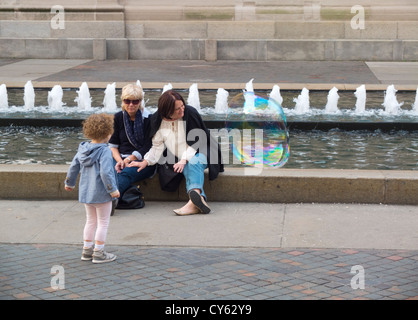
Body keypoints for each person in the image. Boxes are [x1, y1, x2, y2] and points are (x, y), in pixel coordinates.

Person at [129, 89, 224, 216]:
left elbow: (197, 142)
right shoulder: (157, 120)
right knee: (186, 165)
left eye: (182, 106)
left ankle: (193, 203)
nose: (182, 110)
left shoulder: (190, 113)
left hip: (203, 149)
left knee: (193, 162)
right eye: (177, 109)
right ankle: (197, 200)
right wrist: (145, 162)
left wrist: (184, 160)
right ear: (167, 112)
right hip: (177, 155)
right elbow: (157, 147)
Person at [65, 113, 120, 264]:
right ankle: (99, 253)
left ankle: (87, 250)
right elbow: (106, 172)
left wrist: (69, 183)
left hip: (86, 192)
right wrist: (112, 190)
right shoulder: (105, 151)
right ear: (108, 134)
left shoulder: (82, 148)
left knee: (90, 221)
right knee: (103, 222)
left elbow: (73, 167)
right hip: (102, 193)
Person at [108, 84, 155, 206]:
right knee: (111, 171)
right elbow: (113, 145)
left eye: (135, 101)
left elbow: (148, 146)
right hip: (120, 157)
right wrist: (120, 161)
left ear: (140, 101)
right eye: (127, 101)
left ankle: (109, 201)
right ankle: (115, 199)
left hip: (143, 161)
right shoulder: (118, 117)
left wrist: (129, 159)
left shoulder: (149, 118)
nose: (131, 105)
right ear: (123, 101)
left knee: (125, 173)